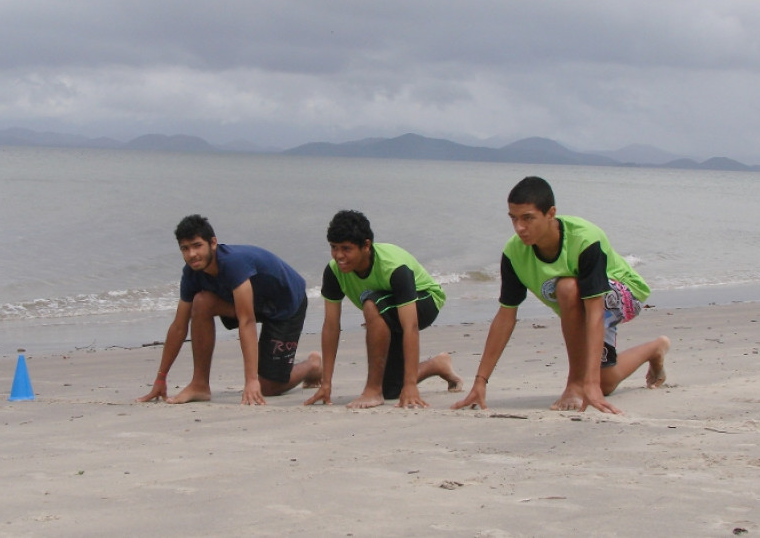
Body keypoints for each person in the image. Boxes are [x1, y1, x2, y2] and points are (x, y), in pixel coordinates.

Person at [452, 176, 670, 414]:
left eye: (528, 218)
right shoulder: (514, 253)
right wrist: (480, 382)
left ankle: (575, 385)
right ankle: (655, 349)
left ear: (551, 213)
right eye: (513, 218)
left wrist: (587, 384)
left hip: (625, 293)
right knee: (605, 383)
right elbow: (506, 315)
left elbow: (595, 311)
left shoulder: (585, 239)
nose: (519, 227)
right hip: (583, 304)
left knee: (567, 288)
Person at [137, 214, 321, 406]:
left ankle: (312, 365)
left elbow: (246, 321)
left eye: (197, 245)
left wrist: (251, 381)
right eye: (185, 248)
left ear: (213, 243)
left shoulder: (234, 264)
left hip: (285, 303)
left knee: (267, 387)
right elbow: (178, 326)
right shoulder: (191, 274)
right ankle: (199, 384)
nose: (192, 254)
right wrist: (160, 378)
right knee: (202, 302)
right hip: (250, 302)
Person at [305, 210, 463, 409]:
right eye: (334, 248)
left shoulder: (394, 267)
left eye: (346, 248)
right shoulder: (334, 271)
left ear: (366, 246)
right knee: (392, 389)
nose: (339, 256)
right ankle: (437, 364)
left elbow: (410, 327)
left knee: (372, 304)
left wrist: (411, 386)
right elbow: (331, 326)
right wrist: (326, 384)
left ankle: (372, 391)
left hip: (425, 300)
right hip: (387, 308)